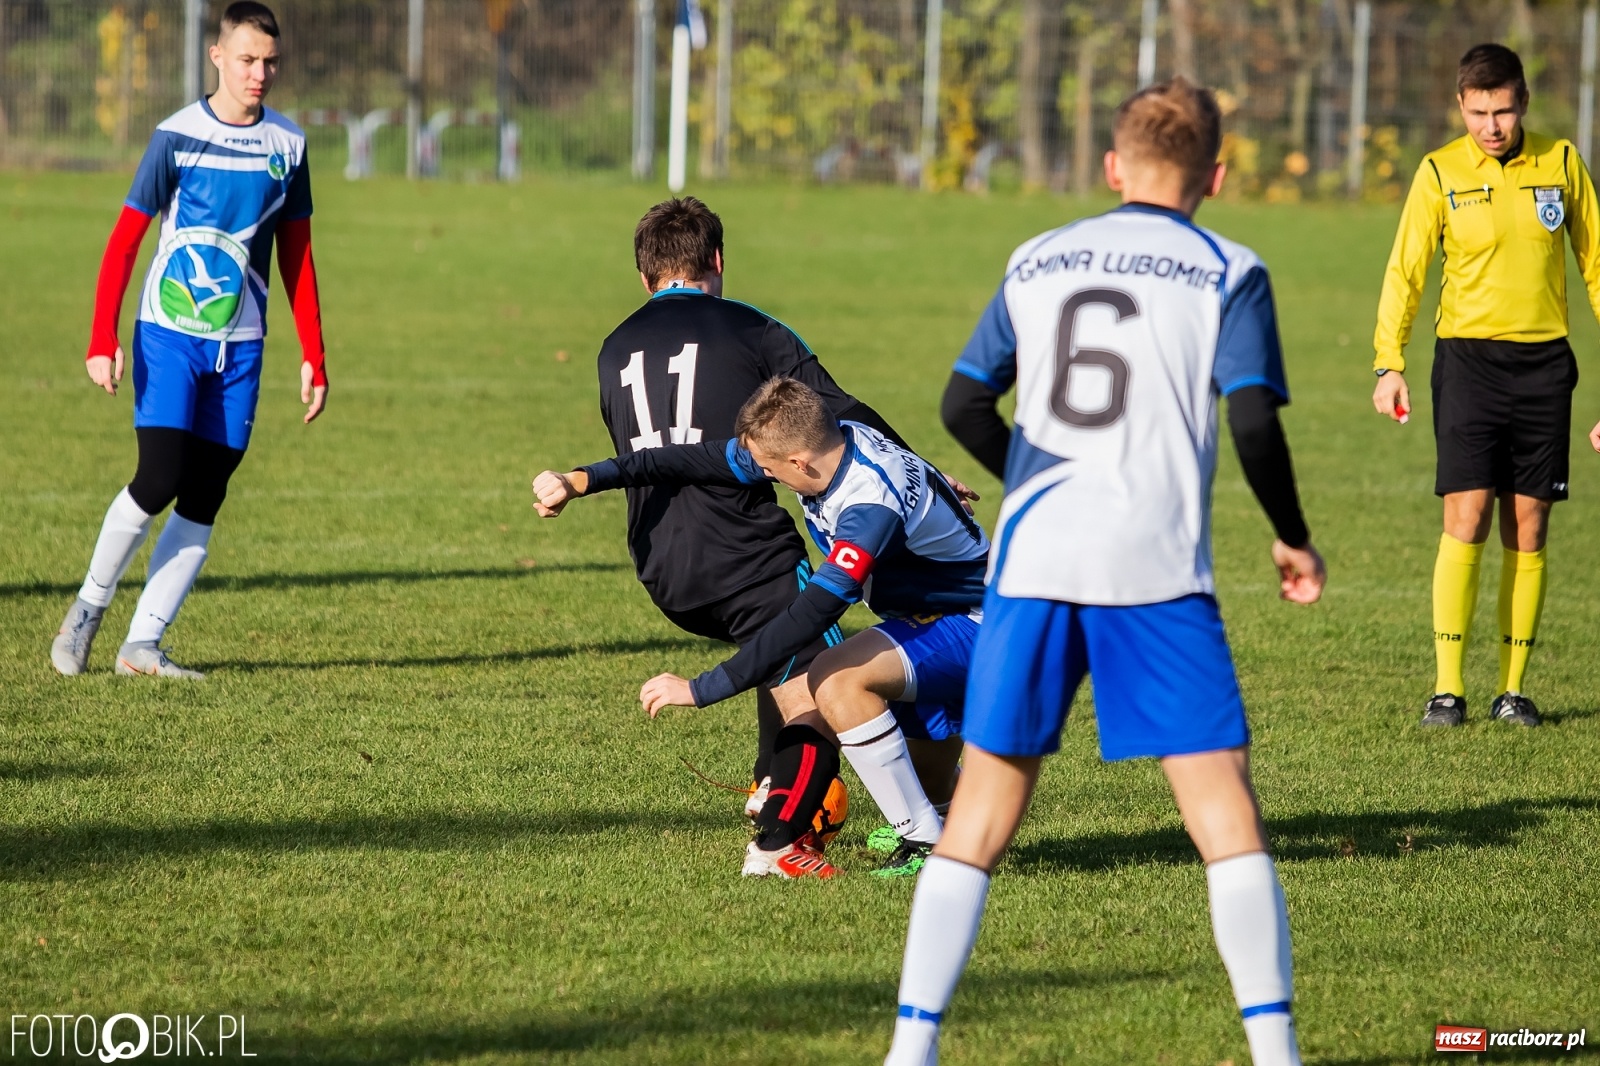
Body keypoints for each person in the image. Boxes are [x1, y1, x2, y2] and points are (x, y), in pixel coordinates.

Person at [884, 78, 1326, 1066]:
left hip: (1036, 557)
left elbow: (961, 403)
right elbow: (1250, 417)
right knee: (1221, 808)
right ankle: (1275, 1053)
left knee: (985, 810)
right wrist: (1292, 535)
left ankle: (909, 1052)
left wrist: (1035, 482)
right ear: (1216, 174)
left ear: (1112, 167)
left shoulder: (1037, 257)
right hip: (1155, 564)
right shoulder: (1228, 267)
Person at [569, 196, 959, 812]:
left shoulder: (612, 348)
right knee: (820, 670)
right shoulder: (752, 327)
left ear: (645, 279)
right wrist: (923, 470)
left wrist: (581, 480)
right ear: (717, 260)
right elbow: (835, 411)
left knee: (777, 644)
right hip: (741, 547)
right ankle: (788, 827)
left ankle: (769, 784)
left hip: (659, 561)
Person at [534, 378, 990, 878]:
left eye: (771, 471)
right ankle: (946, 821)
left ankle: (925, 844)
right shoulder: (836, 441)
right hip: (936, 615)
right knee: (919, 743)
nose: (763, 475)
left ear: (799, 463)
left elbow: (813, 611)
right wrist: (583, 479)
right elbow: (687, 460)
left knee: (835, 679)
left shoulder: (868, 505)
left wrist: (703, 688)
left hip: (978, 624)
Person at [51, 1, 326, 679]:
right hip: (169, 335)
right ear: (217, 57)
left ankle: (142, 644)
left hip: (244, 345)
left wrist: (315, 354)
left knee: (207, 490)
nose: (259, 73)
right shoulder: (175, 136)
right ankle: (87, 608)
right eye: (247, 60)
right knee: (160, 476)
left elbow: (298, 256)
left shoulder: (287, 146)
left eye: (270, 63)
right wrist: (100, 338)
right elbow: (124, 243)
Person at [1372, 43, 1600, 729]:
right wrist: (1389, 362)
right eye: (1478, 112)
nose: (1491, 126)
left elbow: (1597, 266)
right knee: (1465, 514)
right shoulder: (1438, 170)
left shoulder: (1560, 165)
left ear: (1523, 104)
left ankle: (1513, 690)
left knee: (1528, 526)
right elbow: (1406, 270)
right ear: (1461, 107)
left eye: (1502, 111)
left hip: (1543, 367)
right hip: (1467, 362)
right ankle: (1448, 690)